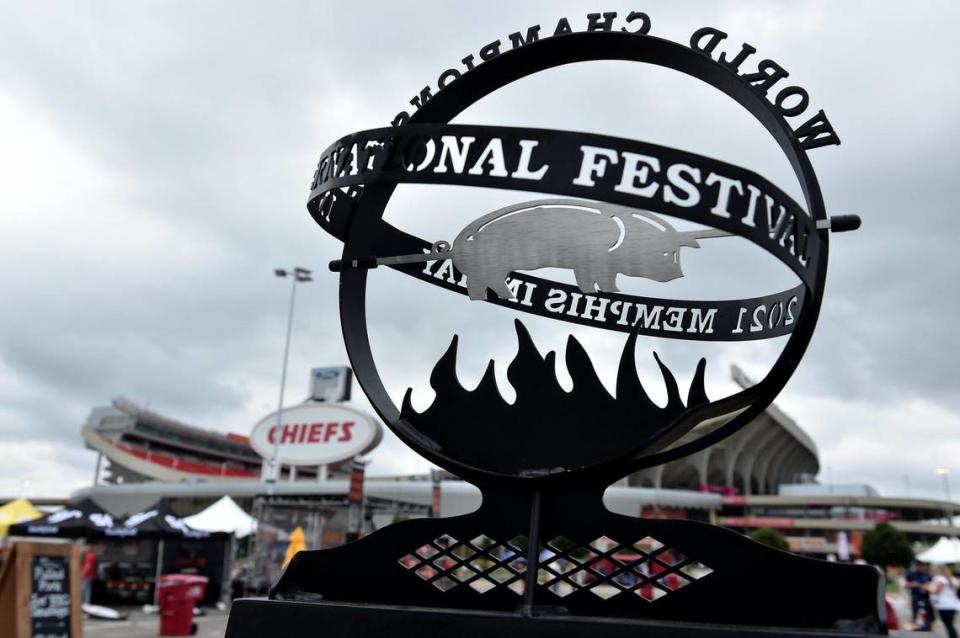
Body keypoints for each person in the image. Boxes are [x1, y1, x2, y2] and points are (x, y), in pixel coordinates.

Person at [927, 564, 960, 638]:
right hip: (953, 605)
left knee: (948, 625)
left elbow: (936, 591)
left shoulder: (940, 579)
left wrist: (927, 587)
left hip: (944, 605)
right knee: (950, 624)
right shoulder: (952, 579)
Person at [906, 561, 934, 630]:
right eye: (919, 566)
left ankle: (928, 629)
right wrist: (916, 585)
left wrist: (926, 586)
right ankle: (917, 629)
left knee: (928, 615)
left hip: (926, 598)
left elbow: (931, 584)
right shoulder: (911, 574)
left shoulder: (927, 575)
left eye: (922, 566)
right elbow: (907, 584)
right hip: (916, 597)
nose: (920, 568)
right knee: (916, 614)